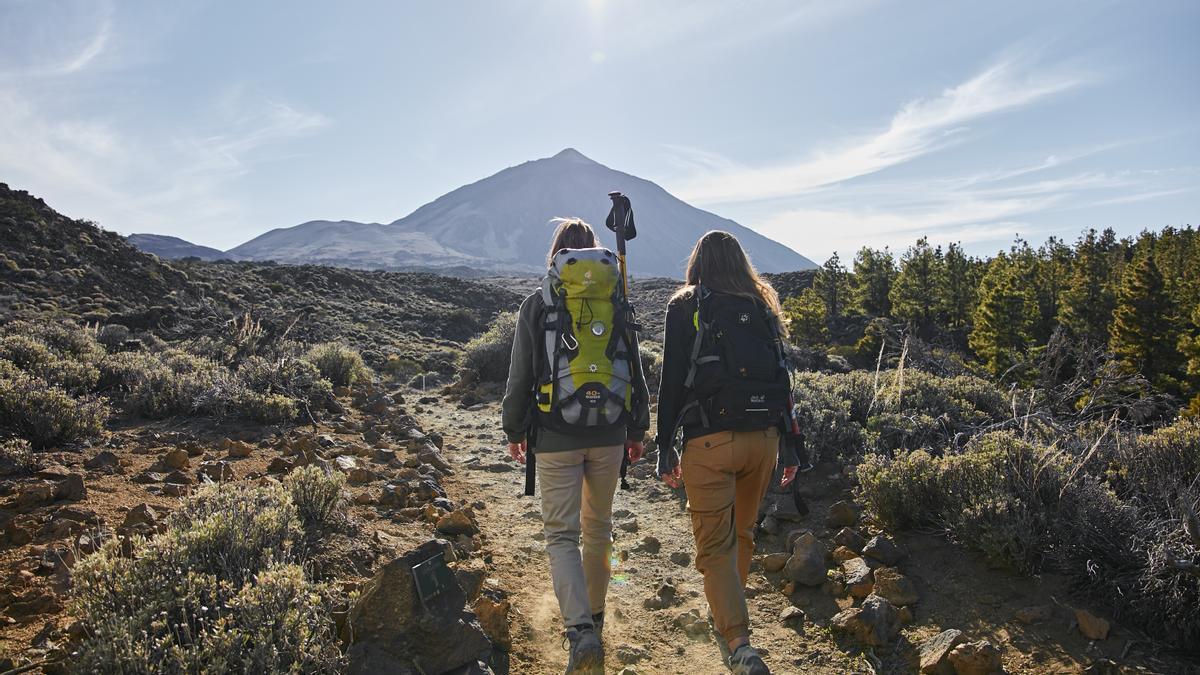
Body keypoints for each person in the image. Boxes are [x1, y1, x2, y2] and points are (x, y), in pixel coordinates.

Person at [502, 218, 651, 674]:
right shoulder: (616, 299)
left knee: (561, 535)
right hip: (608, 434)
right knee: (599, 529)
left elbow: (520, 374)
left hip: (554, 435)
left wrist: (514, 430)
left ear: (557, 254)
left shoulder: (538, 304)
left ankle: (580, 633)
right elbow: (636, 368)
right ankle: (598, 621)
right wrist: (638, 429)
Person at [656, 230, 802, 675]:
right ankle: (727, 617)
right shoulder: (763, 305)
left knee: (714, 546)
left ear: (698, 262)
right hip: (765, 439)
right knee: (741, 535)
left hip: (709, 439)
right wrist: (792, 447)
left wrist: (664, 447)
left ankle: (740, 644)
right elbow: (784, 380)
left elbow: (673, 380)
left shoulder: (686, 304)